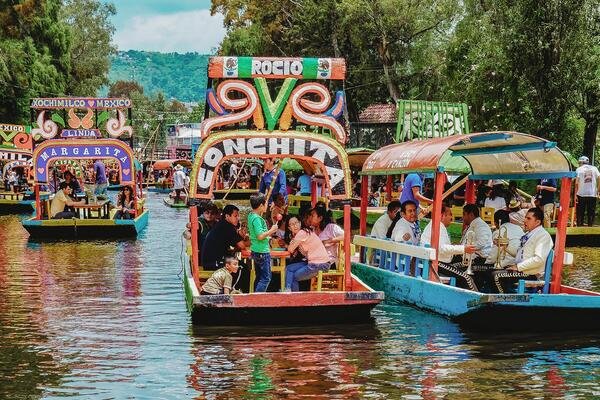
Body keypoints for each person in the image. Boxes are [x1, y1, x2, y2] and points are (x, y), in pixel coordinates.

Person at [492, 208, 553, 293]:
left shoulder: (543, 235)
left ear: (538, 222)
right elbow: (518, 254)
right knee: (493, 271)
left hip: (531, 274)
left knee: (496, 276)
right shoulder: (528, 235)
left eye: (529, 218)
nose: (524, 220)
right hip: (522, 271)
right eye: (525, 218)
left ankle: (505, 301)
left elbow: (538, 259)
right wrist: (504, 245)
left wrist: (518, 267)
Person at [420, 204, 478, 291]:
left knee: (463, 271)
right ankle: (476, 301)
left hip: (434, 261)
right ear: (442, 215)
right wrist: (464, 249)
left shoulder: (436, 225)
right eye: (450, 214)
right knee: (466, 278)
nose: (452, 217)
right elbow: (442, 248)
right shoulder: (438, 226)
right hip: (436, 263)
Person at [284, 216, 331, 291]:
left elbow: (290, 249)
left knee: (292, 276)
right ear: (289, 228)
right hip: (315, 262)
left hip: (319, 264)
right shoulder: (304, 232)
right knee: (289, 268)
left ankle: (291, 297)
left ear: (300, 223)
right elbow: (304, 253)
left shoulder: (302, 232)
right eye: (292, 224)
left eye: (296, 223)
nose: (295, 226)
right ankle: (288, 290)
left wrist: (290, 244)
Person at [201, 204, 250, 270]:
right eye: (235, 216)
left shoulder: (222, 224)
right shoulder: (227, 227)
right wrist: (256, 240)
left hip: (210, 262)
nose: (238, 218)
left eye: (238, 216)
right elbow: (242, 245)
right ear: (227, 216)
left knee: (241, 265)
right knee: (243, 268)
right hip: (212, 263)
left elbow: (236, 244)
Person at [248, 193, 279, 292]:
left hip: (256, 250)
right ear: (261, 205)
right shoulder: (257, 219)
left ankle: (254, 297)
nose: (268, 205)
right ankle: (257, 298)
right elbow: (260, 236)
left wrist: (268, 236)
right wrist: (272, 230)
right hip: (262, 251)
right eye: (266, 203)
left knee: (259, 277)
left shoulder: (251, 215)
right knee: (266, 278)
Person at [575, 155, 600, 227]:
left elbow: (576, 183)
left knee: (580, 213)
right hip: (592, 194)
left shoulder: (579, 169)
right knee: (591, 213)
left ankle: (579, 230)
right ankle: (590, 229)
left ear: (581, 162)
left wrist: (575, 194)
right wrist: (598, 191)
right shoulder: (595, 168)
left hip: (581, 194)